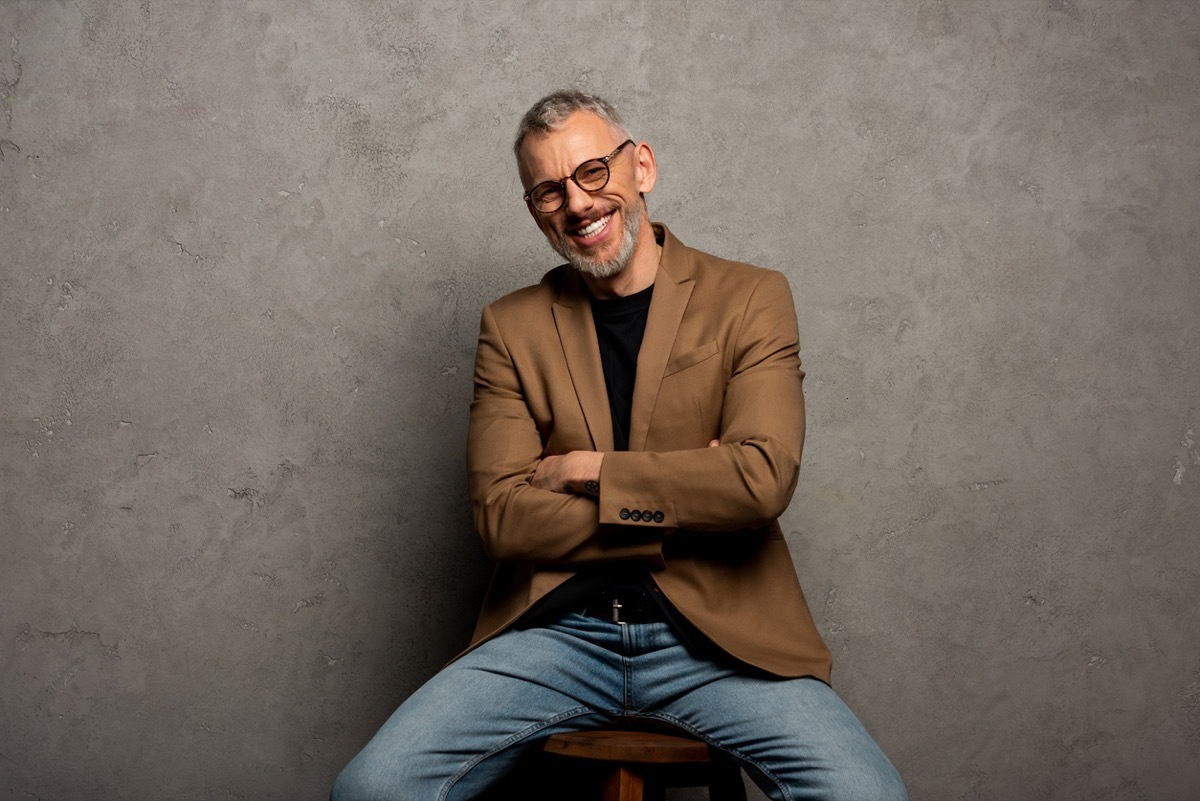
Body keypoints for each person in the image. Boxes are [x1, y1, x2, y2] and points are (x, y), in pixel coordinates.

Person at [330, 90, 907, 801]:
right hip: (558, 636)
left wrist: (589, 470)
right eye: (549, 190)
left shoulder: (750, 298)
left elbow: (760, 479)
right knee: (372, 788)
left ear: (642, 167)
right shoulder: (512, 328)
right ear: (536, 210)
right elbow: (502, 518)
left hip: (720, 642)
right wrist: (685, 496)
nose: (577, 203)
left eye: (593, 172)